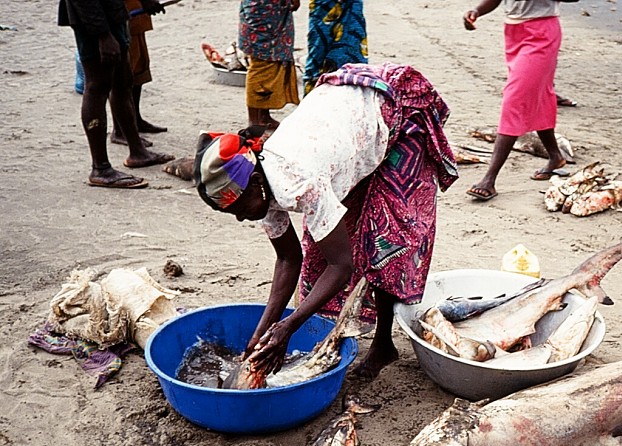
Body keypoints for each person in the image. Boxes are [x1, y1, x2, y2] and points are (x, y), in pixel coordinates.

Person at [194, 63, 458, 379]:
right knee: (323, 249)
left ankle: (383, 345)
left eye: (237, 207)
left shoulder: (298, 181)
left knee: (386, 240)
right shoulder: (260, 186)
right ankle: (346, 334)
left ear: (253, 181)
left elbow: (341, 265)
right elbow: (288, 259)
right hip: (343, 128)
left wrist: (288, 327)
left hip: (390, 113)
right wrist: (262, 332)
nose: (239, 217)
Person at [59, 0, 174, 188]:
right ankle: (100, 168)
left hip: (112, 12)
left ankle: (137, 152)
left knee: (123, 81)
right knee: (97, 86)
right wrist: (102, 34)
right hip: (92, 18)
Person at [463, 0, 568, 201]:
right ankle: (555, 156)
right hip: (514, 32)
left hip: (542, 32)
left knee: (514, 99)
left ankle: (489, 179)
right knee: (539, 96)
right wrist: (477, 10)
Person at [110, 0, 168, 146]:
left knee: (138, 69)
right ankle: (119, 129)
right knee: (123, 75)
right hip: (123, 9)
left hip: (136, 12)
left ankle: (135, 120)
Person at [238, 0, 301, 129]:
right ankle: (254, 119)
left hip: (272, 11)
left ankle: (263, 115)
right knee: (260, 64)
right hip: (263, 12)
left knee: (270, 62)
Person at [303, 0, 368, 96]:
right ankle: (313, 98)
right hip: (324, 6)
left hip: (351, 6)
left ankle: (350, 99)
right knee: (319, 54)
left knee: (351, 54)